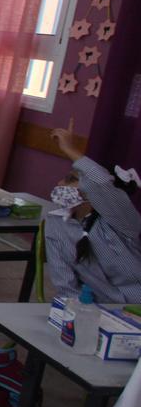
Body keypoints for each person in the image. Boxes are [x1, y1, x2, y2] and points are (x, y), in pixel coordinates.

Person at [45, 125, 141, 303]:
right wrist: (80, 314)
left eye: (70, 179)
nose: (59, 183)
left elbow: (101, 183)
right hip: (98, 310)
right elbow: (65, 284)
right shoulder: (56, 223)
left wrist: (70, 149)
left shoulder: (122, 220)